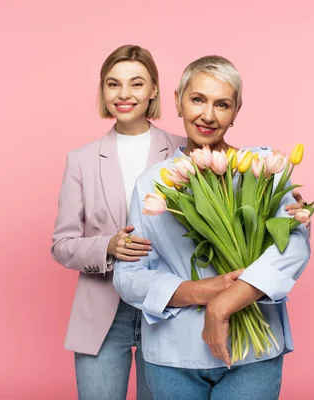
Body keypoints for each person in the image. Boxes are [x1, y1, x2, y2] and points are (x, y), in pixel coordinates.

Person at [113, 55, 312, 400]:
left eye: (222, 104)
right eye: (197, 99)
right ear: (177, 100)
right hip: (172, 356)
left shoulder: (264, 170)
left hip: (252, 353)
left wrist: (224, 304)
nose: (208, 115)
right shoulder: (152, 184)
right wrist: (202, 291)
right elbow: (129, 277)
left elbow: (293, 247)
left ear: (236, 111)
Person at [51, 45, 185, 400]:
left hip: (168, 309)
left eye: (136, 84)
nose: (124, 95)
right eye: (114, 84)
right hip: (102, 314)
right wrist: (107, 246)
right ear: (103, 90)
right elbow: (61, 244)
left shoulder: (182, 151)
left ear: (154, 89)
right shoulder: (80, 160)